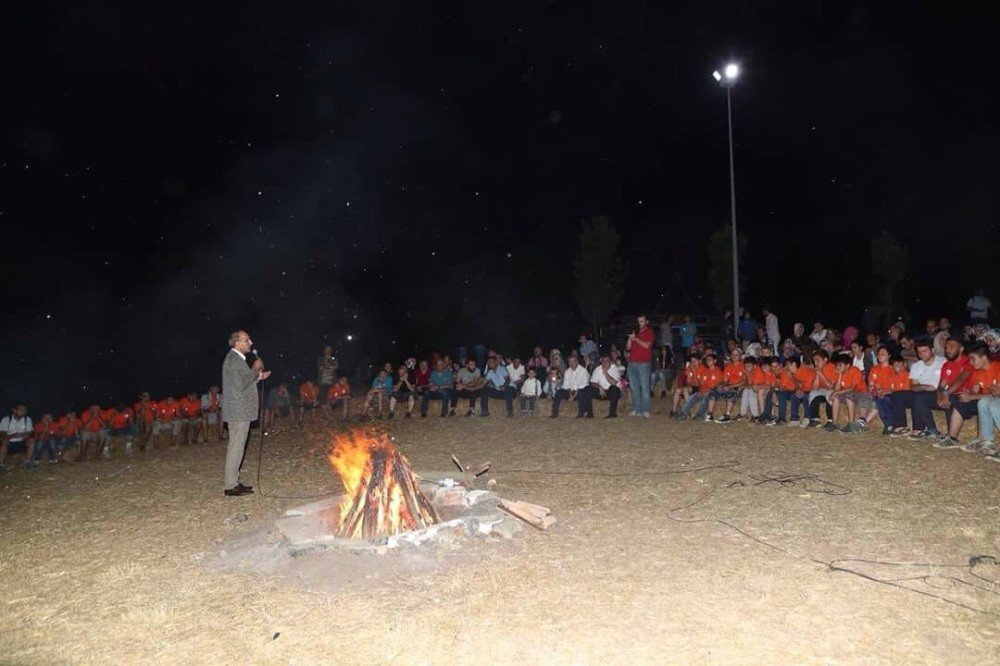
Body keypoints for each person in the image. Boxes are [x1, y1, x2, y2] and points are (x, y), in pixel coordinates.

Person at [221, 330, 269, 496]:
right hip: (238, 411)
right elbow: (241, 384)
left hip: (240, 410)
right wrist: (255, 369)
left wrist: (257, 377)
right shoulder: (234, 359)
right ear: (237, 343)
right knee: (236, 447)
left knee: (238, 446)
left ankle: (234, 482)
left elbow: (241, 382)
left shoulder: (236, 360)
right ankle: (230, 486)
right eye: (247, 340)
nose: (251, 342)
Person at [896, 340, 946, 441]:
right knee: (898, 395)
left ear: (932, 350)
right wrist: (924, 387)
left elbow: (946, 383)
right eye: (919, 352)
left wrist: (932, 388)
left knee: (919, 397)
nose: (922, 354)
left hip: (939, 393)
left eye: (925, 351)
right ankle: (901, 426)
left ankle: (925, 429)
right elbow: (913, 386)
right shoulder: (917, 365)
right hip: (923, 391)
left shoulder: (943, 362)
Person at [931, 338, 974, 448]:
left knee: (953, 399)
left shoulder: (968, 361)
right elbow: (941, 386)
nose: (948, 350)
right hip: (950, 394)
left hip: (966, 396)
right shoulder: (947, 365)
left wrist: (946, 394)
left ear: (961, 349)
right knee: (921, 398)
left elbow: (960, 380)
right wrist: (939, 397)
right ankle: (930, 430)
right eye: (946, 347)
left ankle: (952, 438)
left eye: (951, 347)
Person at [963, 344, 1000, 456]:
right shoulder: (977, 371)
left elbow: (997, 393)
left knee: (993, 405)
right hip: (993, 398)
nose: (970, 362)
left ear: (984, 357)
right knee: (983, 402)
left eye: (973, 359)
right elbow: (975, 391)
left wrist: (971, 397)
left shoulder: (998, 367)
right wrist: (968, 394)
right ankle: (987, 440)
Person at [625, 314, 655, 418]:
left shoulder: (649, 332)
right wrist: (630, 338)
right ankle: (636, 409)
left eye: (642, 321)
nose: (640, 323)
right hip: (632, 363)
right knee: (634, 388)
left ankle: (645, 410)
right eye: (638, 321)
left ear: (647, 321)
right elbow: (628, 347)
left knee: (645, 387)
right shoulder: (635, 332)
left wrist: (636, 339)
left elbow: (647, 345)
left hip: (644, 363)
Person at [677, 354, 723, 421]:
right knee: (691, 398)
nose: (707, 361)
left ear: (715, 361)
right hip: (702, 391)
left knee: (706, 397)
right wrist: (700, 391)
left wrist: (708, 391)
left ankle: (700, 415)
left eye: (710, 360)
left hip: (711, 392)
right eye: (707, 360)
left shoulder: (718, 372)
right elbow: (701, 384)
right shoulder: (704, 371)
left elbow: (719, 385)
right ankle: (682, 414)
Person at [709, 347, 746, 423]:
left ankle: (727, 415)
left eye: (736, 355)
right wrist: (723, 385)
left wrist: (730, 386)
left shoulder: (743, 365)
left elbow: (744, 381)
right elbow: (725, 380)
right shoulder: (728, 366)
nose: (734, 356)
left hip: (739, 387)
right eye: (733, 355)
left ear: (740, 356)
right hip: (729, 386)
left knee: (731, 392)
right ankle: (709, 414)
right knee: (713, 391)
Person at [806, 350, 838, 428]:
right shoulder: (815, 369)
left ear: (825, 359)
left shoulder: (832, 367)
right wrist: (817, 374)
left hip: (833, 390)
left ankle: (830, 420)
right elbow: (814, 387)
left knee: (829, 393)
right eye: (814, 361)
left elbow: (831, 386)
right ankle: (816, 419)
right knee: (813, 393)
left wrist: (821, 375)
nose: (816, 363)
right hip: (822, 390)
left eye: (818, 360)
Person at [0, 405, 36, 471]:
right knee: (4, 441)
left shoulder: (27, 419)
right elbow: (2, 434)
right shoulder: (6, 419)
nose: (24, 412)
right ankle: (1, 465)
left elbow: (31, 432)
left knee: (32, 440)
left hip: (22, 442)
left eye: (25, 410)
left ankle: (27, 461)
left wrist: (27, 435)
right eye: (21, 409)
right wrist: (13, 436)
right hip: (10, 443)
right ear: (14, 410)